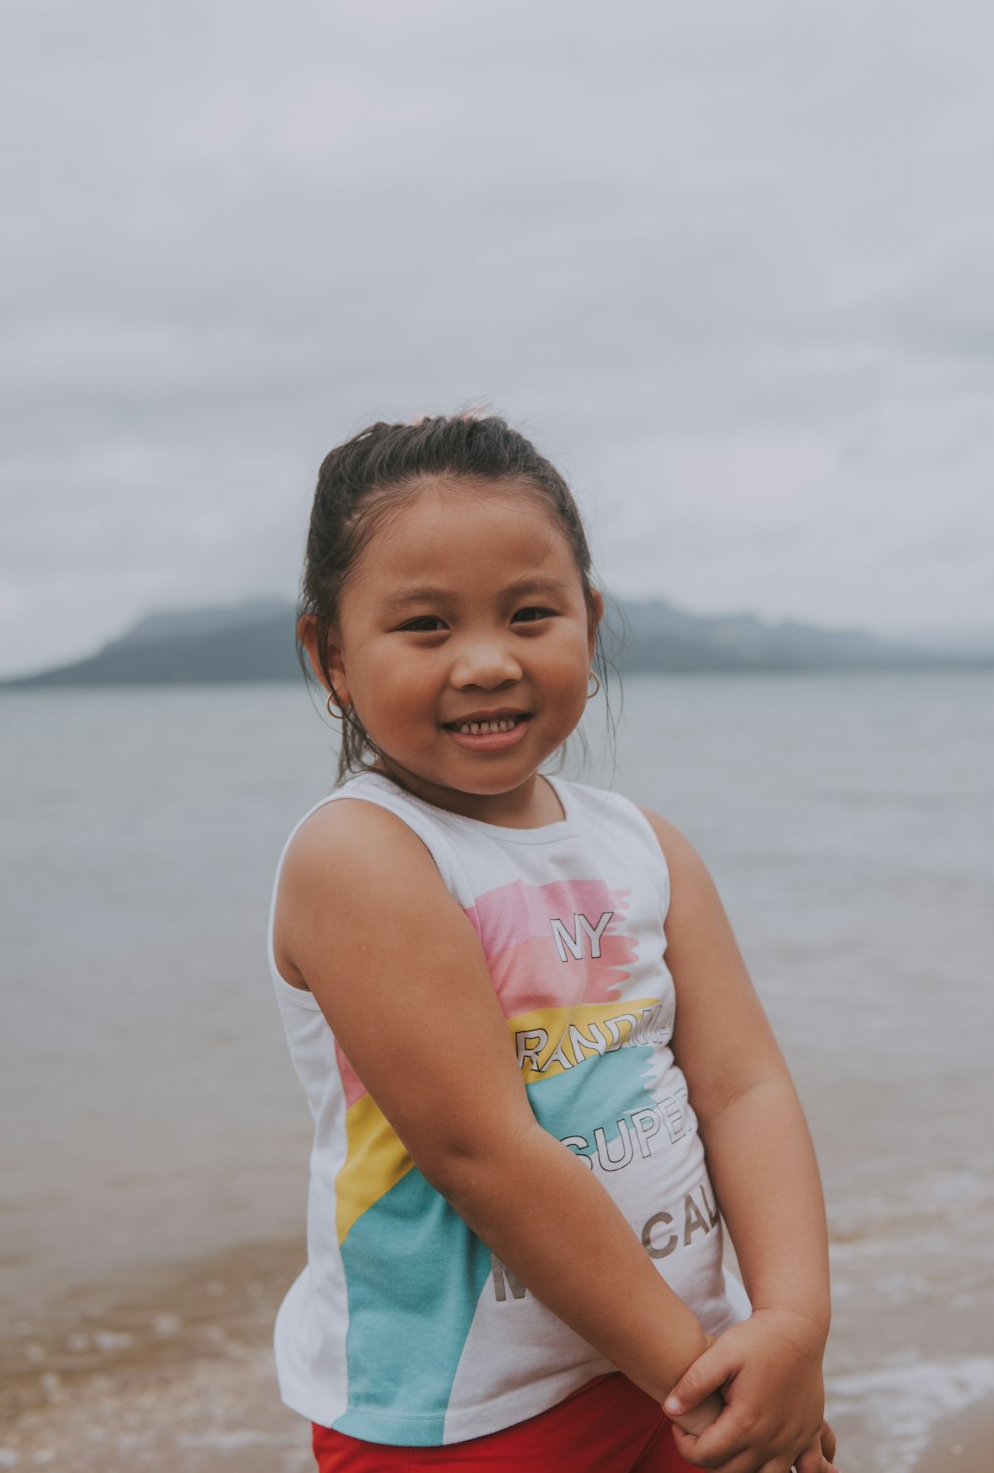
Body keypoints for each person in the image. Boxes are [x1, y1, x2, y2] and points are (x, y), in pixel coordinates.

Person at [268, 413, 839, 1473]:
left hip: (689, 1365)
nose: (486, 663)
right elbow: (484, 1154)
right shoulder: (362, 855)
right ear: (330, 656)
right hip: (464, 1419)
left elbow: (743, 1088)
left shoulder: (641, 845)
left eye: (531, 613)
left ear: (591, 618)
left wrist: (791, 1327)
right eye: (426, 627)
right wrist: (707, 1392)